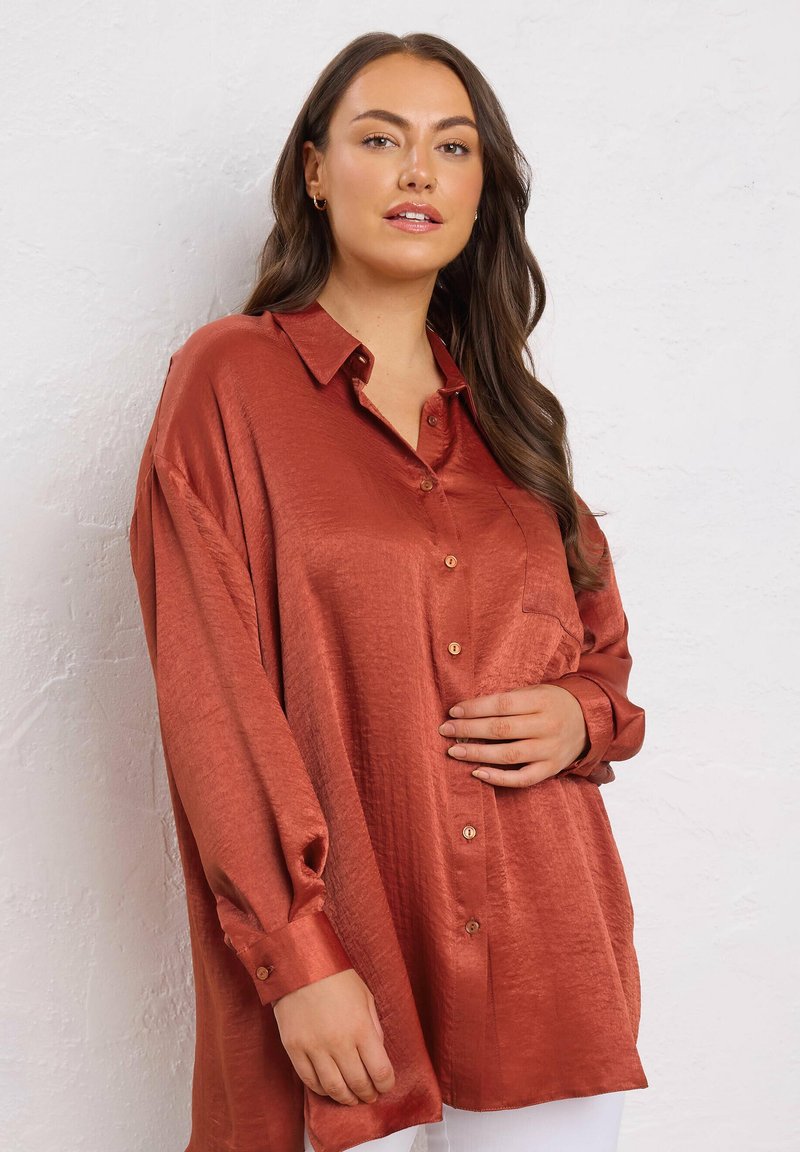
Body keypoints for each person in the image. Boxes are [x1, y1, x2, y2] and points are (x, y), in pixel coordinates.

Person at [128, 30, 648, 1152]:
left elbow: (600, 653)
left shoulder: (510, 419)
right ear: (315, 171)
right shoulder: (230, 381)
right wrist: (296, 953)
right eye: (380, 139)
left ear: (480, 192)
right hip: (343, 977)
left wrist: (582, 716)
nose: (418, 171)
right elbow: (212, 699)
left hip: (547, 964)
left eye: (452, 148)